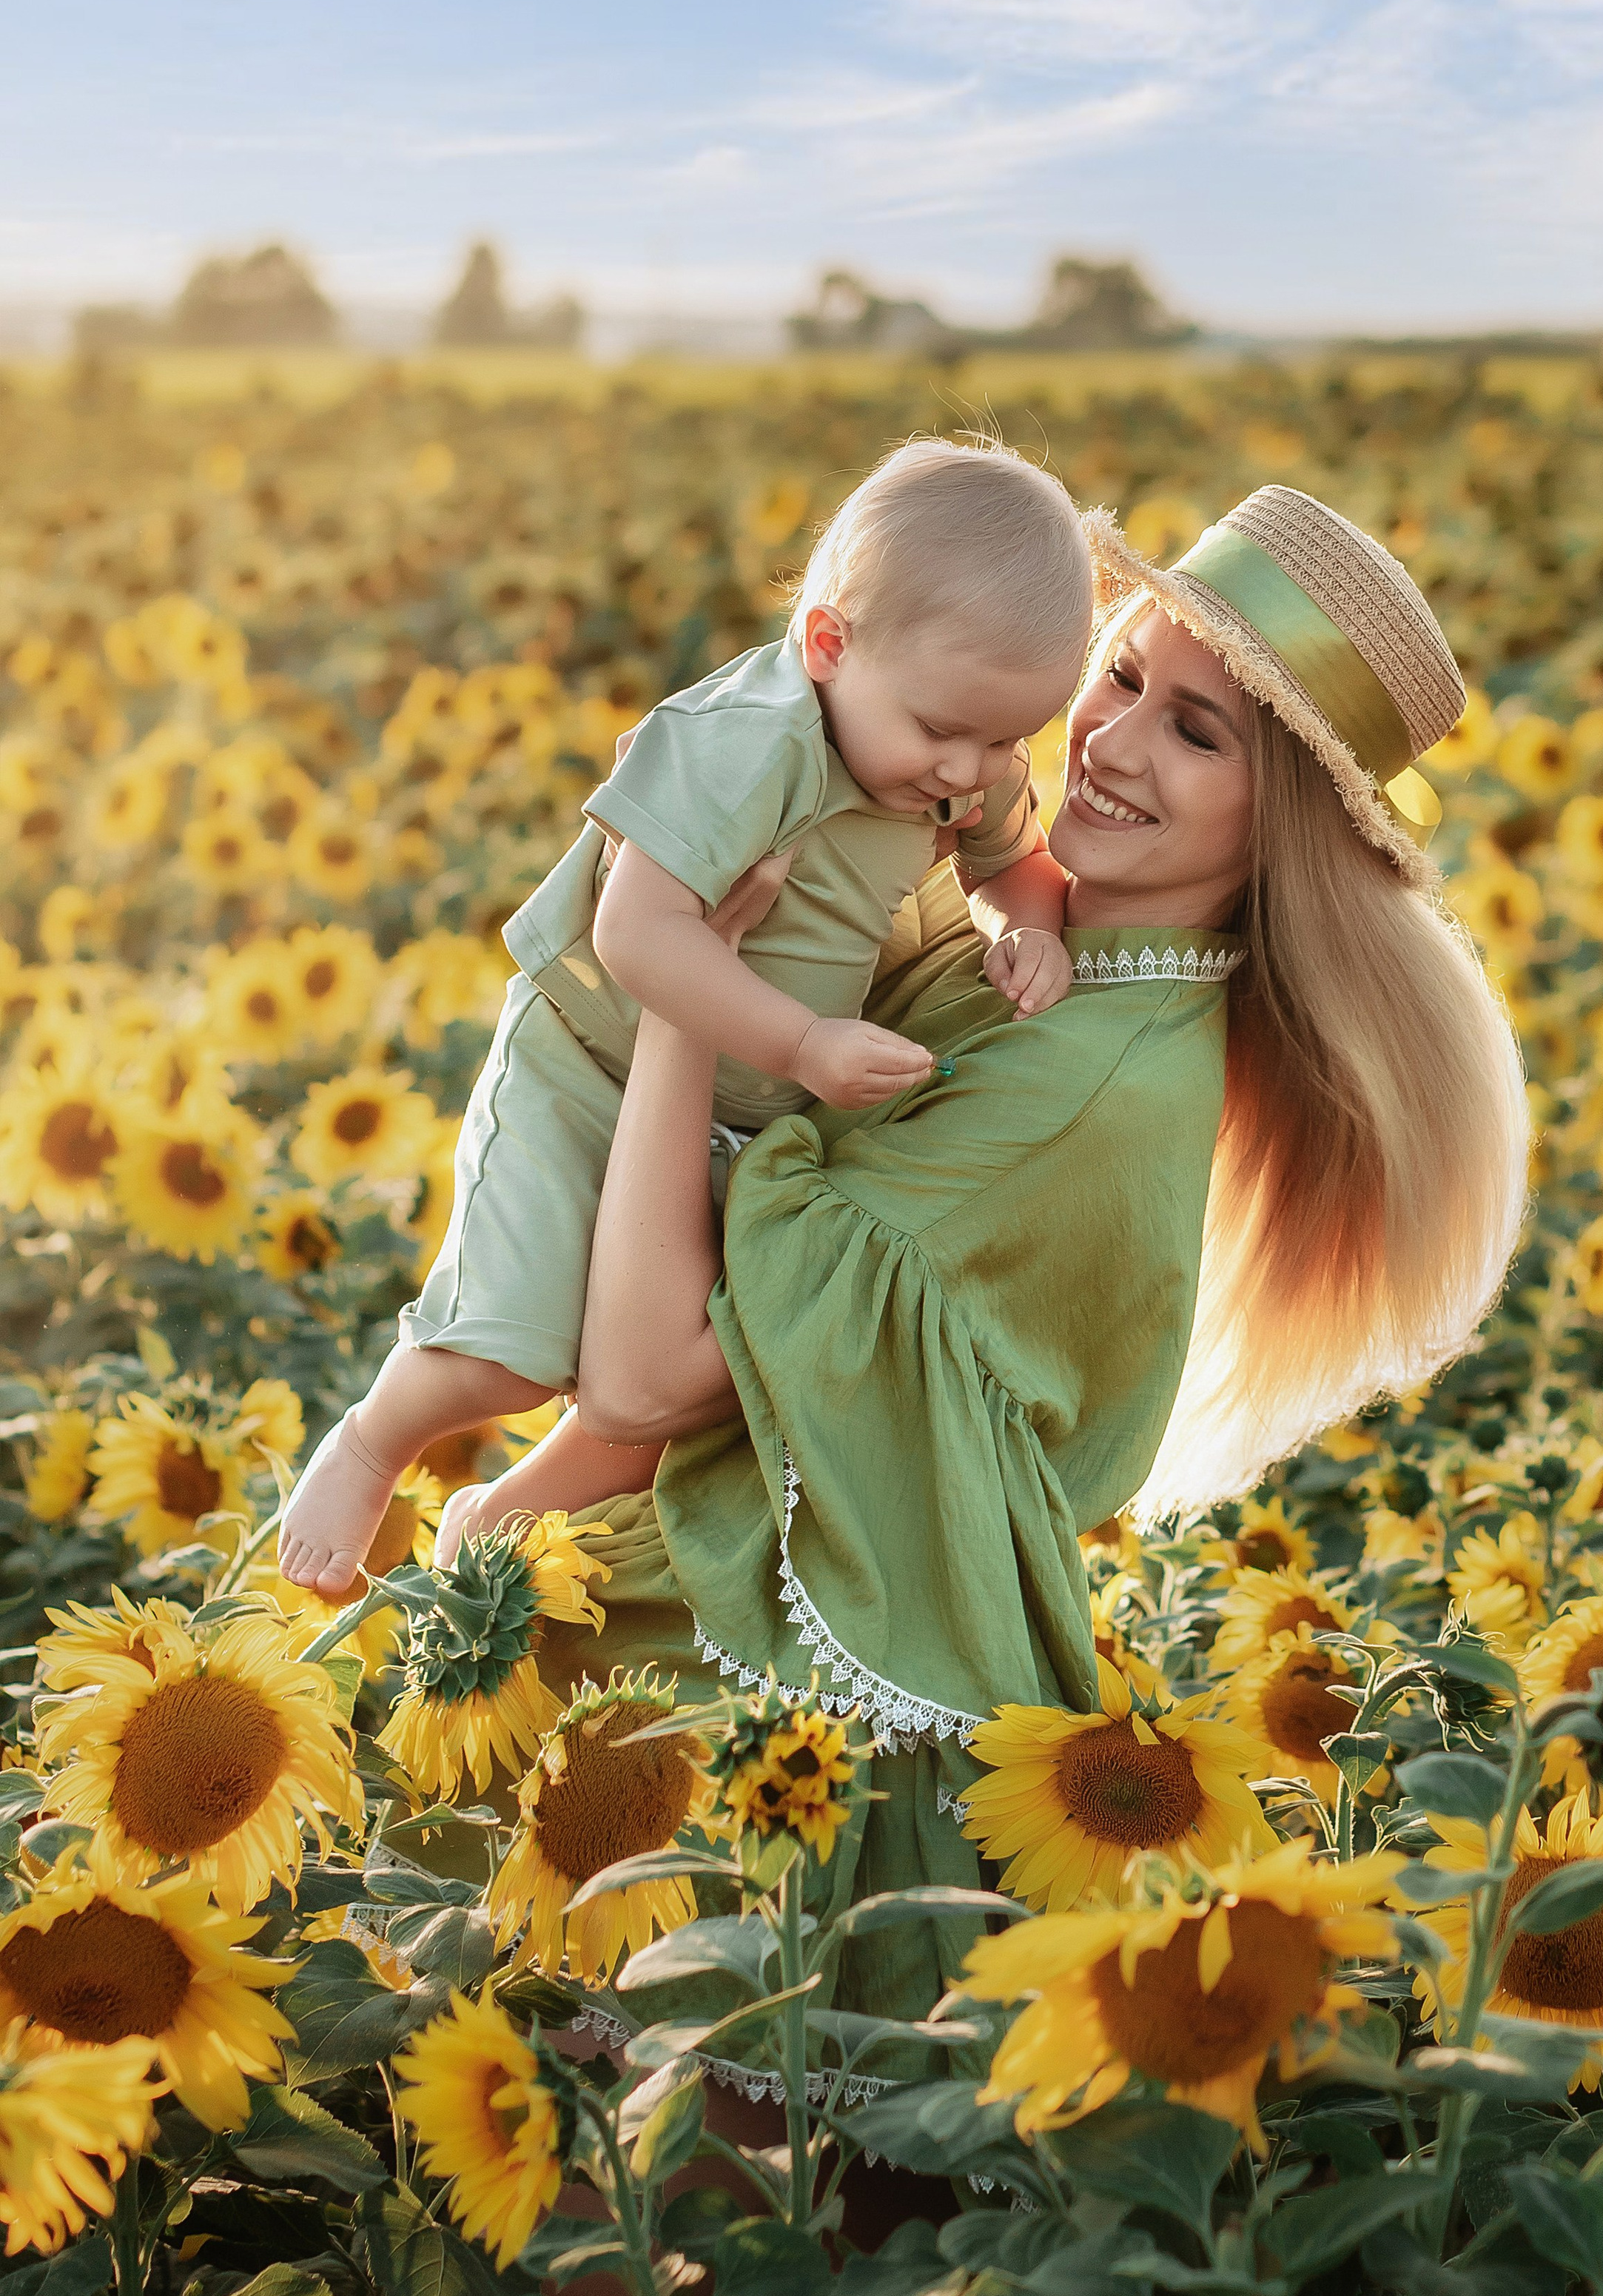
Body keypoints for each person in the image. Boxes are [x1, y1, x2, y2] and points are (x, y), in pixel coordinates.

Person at [435, 486, 1532, 2052]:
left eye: (1198, 735)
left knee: (752, 2230)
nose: (1110, 739)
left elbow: (647, 1376)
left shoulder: (1077, 1082)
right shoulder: (1031, 953)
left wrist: (687, 997)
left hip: (791, 1743)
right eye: (1123, 679)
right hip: (724, 1671)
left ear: (1272, 826)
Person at [276, 440, 1093, 1598]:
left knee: (679, 1377)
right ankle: (369, 1444)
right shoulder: (742, 742)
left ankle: (496, 1522)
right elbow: (636, 933)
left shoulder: (957, 755)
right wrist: (803, 1045)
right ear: (827, 645)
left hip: (740, 1109)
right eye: (943, 731)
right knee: (509, 1346)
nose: (970, 773)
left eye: (1010, 739)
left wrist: (1031, 927)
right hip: (590, 1062)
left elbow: (1017, 862)